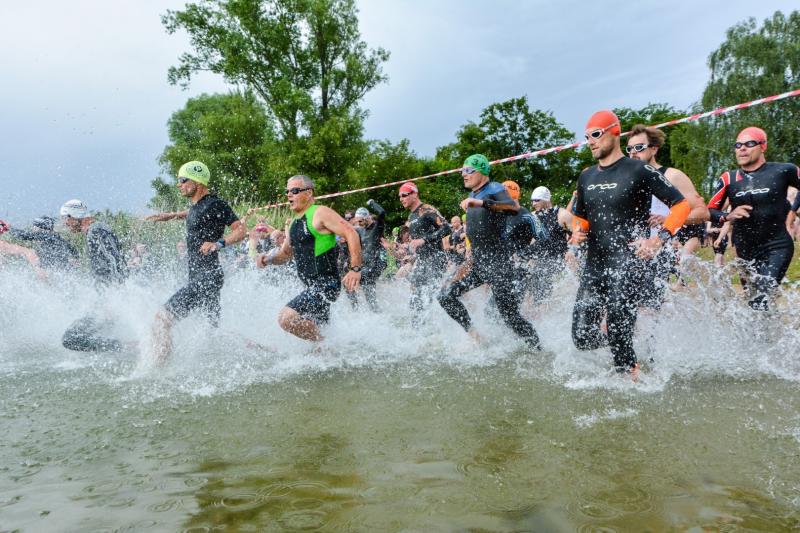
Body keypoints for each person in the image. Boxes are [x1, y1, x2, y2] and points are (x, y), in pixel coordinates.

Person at [571, 111, 689, 376]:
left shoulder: (639, 170)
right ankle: (625, 346)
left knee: (618, 327)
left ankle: (633, 377)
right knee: (581, 337)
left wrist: (659, 239)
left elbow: (681, 205)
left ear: (615, 132)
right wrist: (578, 231)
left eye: (596, 134)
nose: (591, 141)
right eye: (587, 137)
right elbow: (581, 217)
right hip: (595, 265)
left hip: (629, 262)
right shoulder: (586, 176)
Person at [438, 154, 541, 348]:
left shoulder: (494, 188)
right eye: (462, 171)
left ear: (482, 171)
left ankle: (538, 349)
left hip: (499, 265)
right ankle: (476, 337)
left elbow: (514, 207)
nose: (463, 174)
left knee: (509, 317)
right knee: (444, 295)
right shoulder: (473, 195)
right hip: (477, 263)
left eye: (468, 170)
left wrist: (482, 203)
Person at [147, 161, 246, 363]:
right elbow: (192, 214)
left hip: (207, 277)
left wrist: (218, 243)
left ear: (197, 182)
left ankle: (157, 371)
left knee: (161, 319)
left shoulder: (215, 204)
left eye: (183, 180)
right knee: (211, 333)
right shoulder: (197, 207)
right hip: (202, 277)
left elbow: (241, 230)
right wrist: (171, 216)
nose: (179, 185)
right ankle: (264, 349)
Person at [256, 175, 362, 341]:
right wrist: (267, 259)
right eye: (287, 191)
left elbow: (351, 232)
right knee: (320, 329)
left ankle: (323, 344)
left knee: (286, 318)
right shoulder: (293, 223)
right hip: (310, 286)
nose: (289, 195)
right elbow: (285, 254)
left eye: (295, 191)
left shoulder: (320, 212)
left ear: (309, 192)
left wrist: (355, 268)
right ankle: (328, 348)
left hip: (326, 284)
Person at [707, 126, 800, 310]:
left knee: (762, 295)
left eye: (749, 144)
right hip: (745, 248)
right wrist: (728, 215)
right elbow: (710, 210)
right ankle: (769, 324)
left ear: (762, 146)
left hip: (777, 245)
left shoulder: (784, 170)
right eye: (738, 145)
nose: (742, 148)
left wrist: (793, 210)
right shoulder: (728, 178)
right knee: (752, 300)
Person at [626, 125, 709, 256]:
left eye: (639, 147)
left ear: (654, 149)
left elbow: (702, 213)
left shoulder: (672, 176)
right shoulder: (626, 181)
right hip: (633, 252)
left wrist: (670, 219)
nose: (633, 152)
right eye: (629, 149)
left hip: (662, 252)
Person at [59, 199, 130, 352]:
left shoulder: (96, 230)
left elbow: (115, 262)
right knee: (80, 337)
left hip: (111, 301)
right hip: (106, 300)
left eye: (65, 218)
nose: (65, 223)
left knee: (71, 338)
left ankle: (129, 347)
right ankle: (125, 348)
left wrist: (114, 301)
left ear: (75, 216)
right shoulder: (94, 231)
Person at [398, 181, 451, 320]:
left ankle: (439, 323)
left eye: (404, 195)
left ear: (414, 194)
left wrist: (424, 240)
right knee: (415, 301)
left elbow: (447, 228)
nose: (401, 198)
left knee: (427, 298)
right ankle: (419, 328)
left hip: (436, 259)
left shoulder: (427, 209)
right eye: (399, 196)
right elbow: (416, 243)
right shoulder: (411, 216)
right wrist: (409, 253)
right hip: (422, 261)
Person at [527, 185, 573, 302]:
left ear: (546, 199)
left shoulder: (562, 215)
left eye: (536, 200)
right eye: (532, 201)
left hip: (558, 263)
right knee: (534, 297)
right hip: (540, 262)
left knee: (550, 298)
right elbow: (531, 240)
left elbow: (577, 235)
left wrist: (571, 251)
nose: (533, 204)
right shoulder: (533, 216)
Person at [5, 215, 78, 272]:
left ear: (41, 228)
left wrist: (8, 228)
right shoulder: (56, 237)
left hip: (56, 270)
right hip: (63, 270)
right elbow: (74, 250)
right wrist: (75, 260)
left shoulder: (46, 235)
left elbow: (24, 235)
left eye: (34, 227)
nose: (33, 229)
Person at [350, 202, 387, 311]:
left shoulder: (377, 227)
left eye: (360, 221)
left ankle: (359, 310)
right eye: (357, 221)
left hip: (378, 263)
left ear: (367, 217)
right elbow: (345, 227)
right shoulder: (360, 230)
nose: (359, 224)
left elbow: (382, 212)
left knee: (356, 279)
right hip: (367, 265)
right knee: (355, 284)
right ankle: (368, 311)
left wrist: (372, 203)